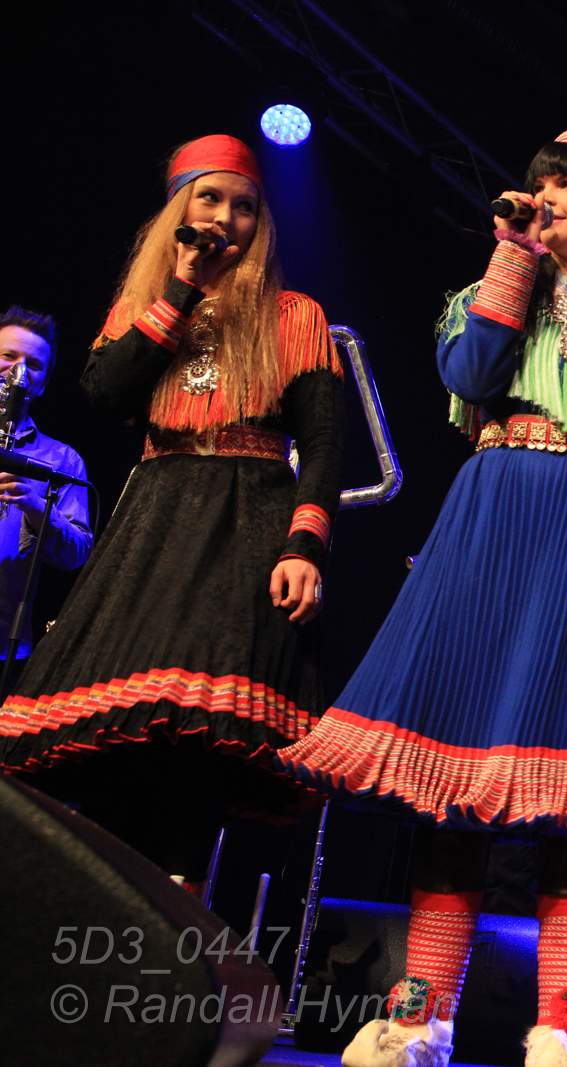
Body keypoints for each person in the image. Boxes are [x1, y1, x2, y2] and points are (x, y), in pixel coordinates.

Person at [279, 125, 567, 1067]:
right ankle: (421, 1014)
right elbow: (469, 375)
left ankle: (564, 1023)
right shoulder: (490, 292)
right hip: (491, 529)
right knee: (452, 787)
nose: (549, 193)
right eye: (542, 180)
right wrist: (512, 257)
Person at [0, 135, 343, 877]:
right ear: (179, 213)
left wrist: (303, 547)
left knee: (196, 751)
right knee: (117, 743)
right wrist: (181, 290)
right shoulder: (144, 307)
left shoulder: (294, 315)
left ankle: (173, 946)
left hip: (245, 531)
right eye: (209, 199)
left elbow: (322, 446)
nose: (226, 217)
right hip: (152, 534)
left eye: (244, 206)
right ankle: (101, 938)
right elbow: (104, 395)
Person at [0, 306, 93, 698]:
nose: (20, 370)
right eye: (8, 356)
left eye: (33, 364)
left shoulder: (62, 460)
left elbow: (77, 554)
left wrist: (38, 507)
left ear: (41, 383)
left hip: (6, 648)